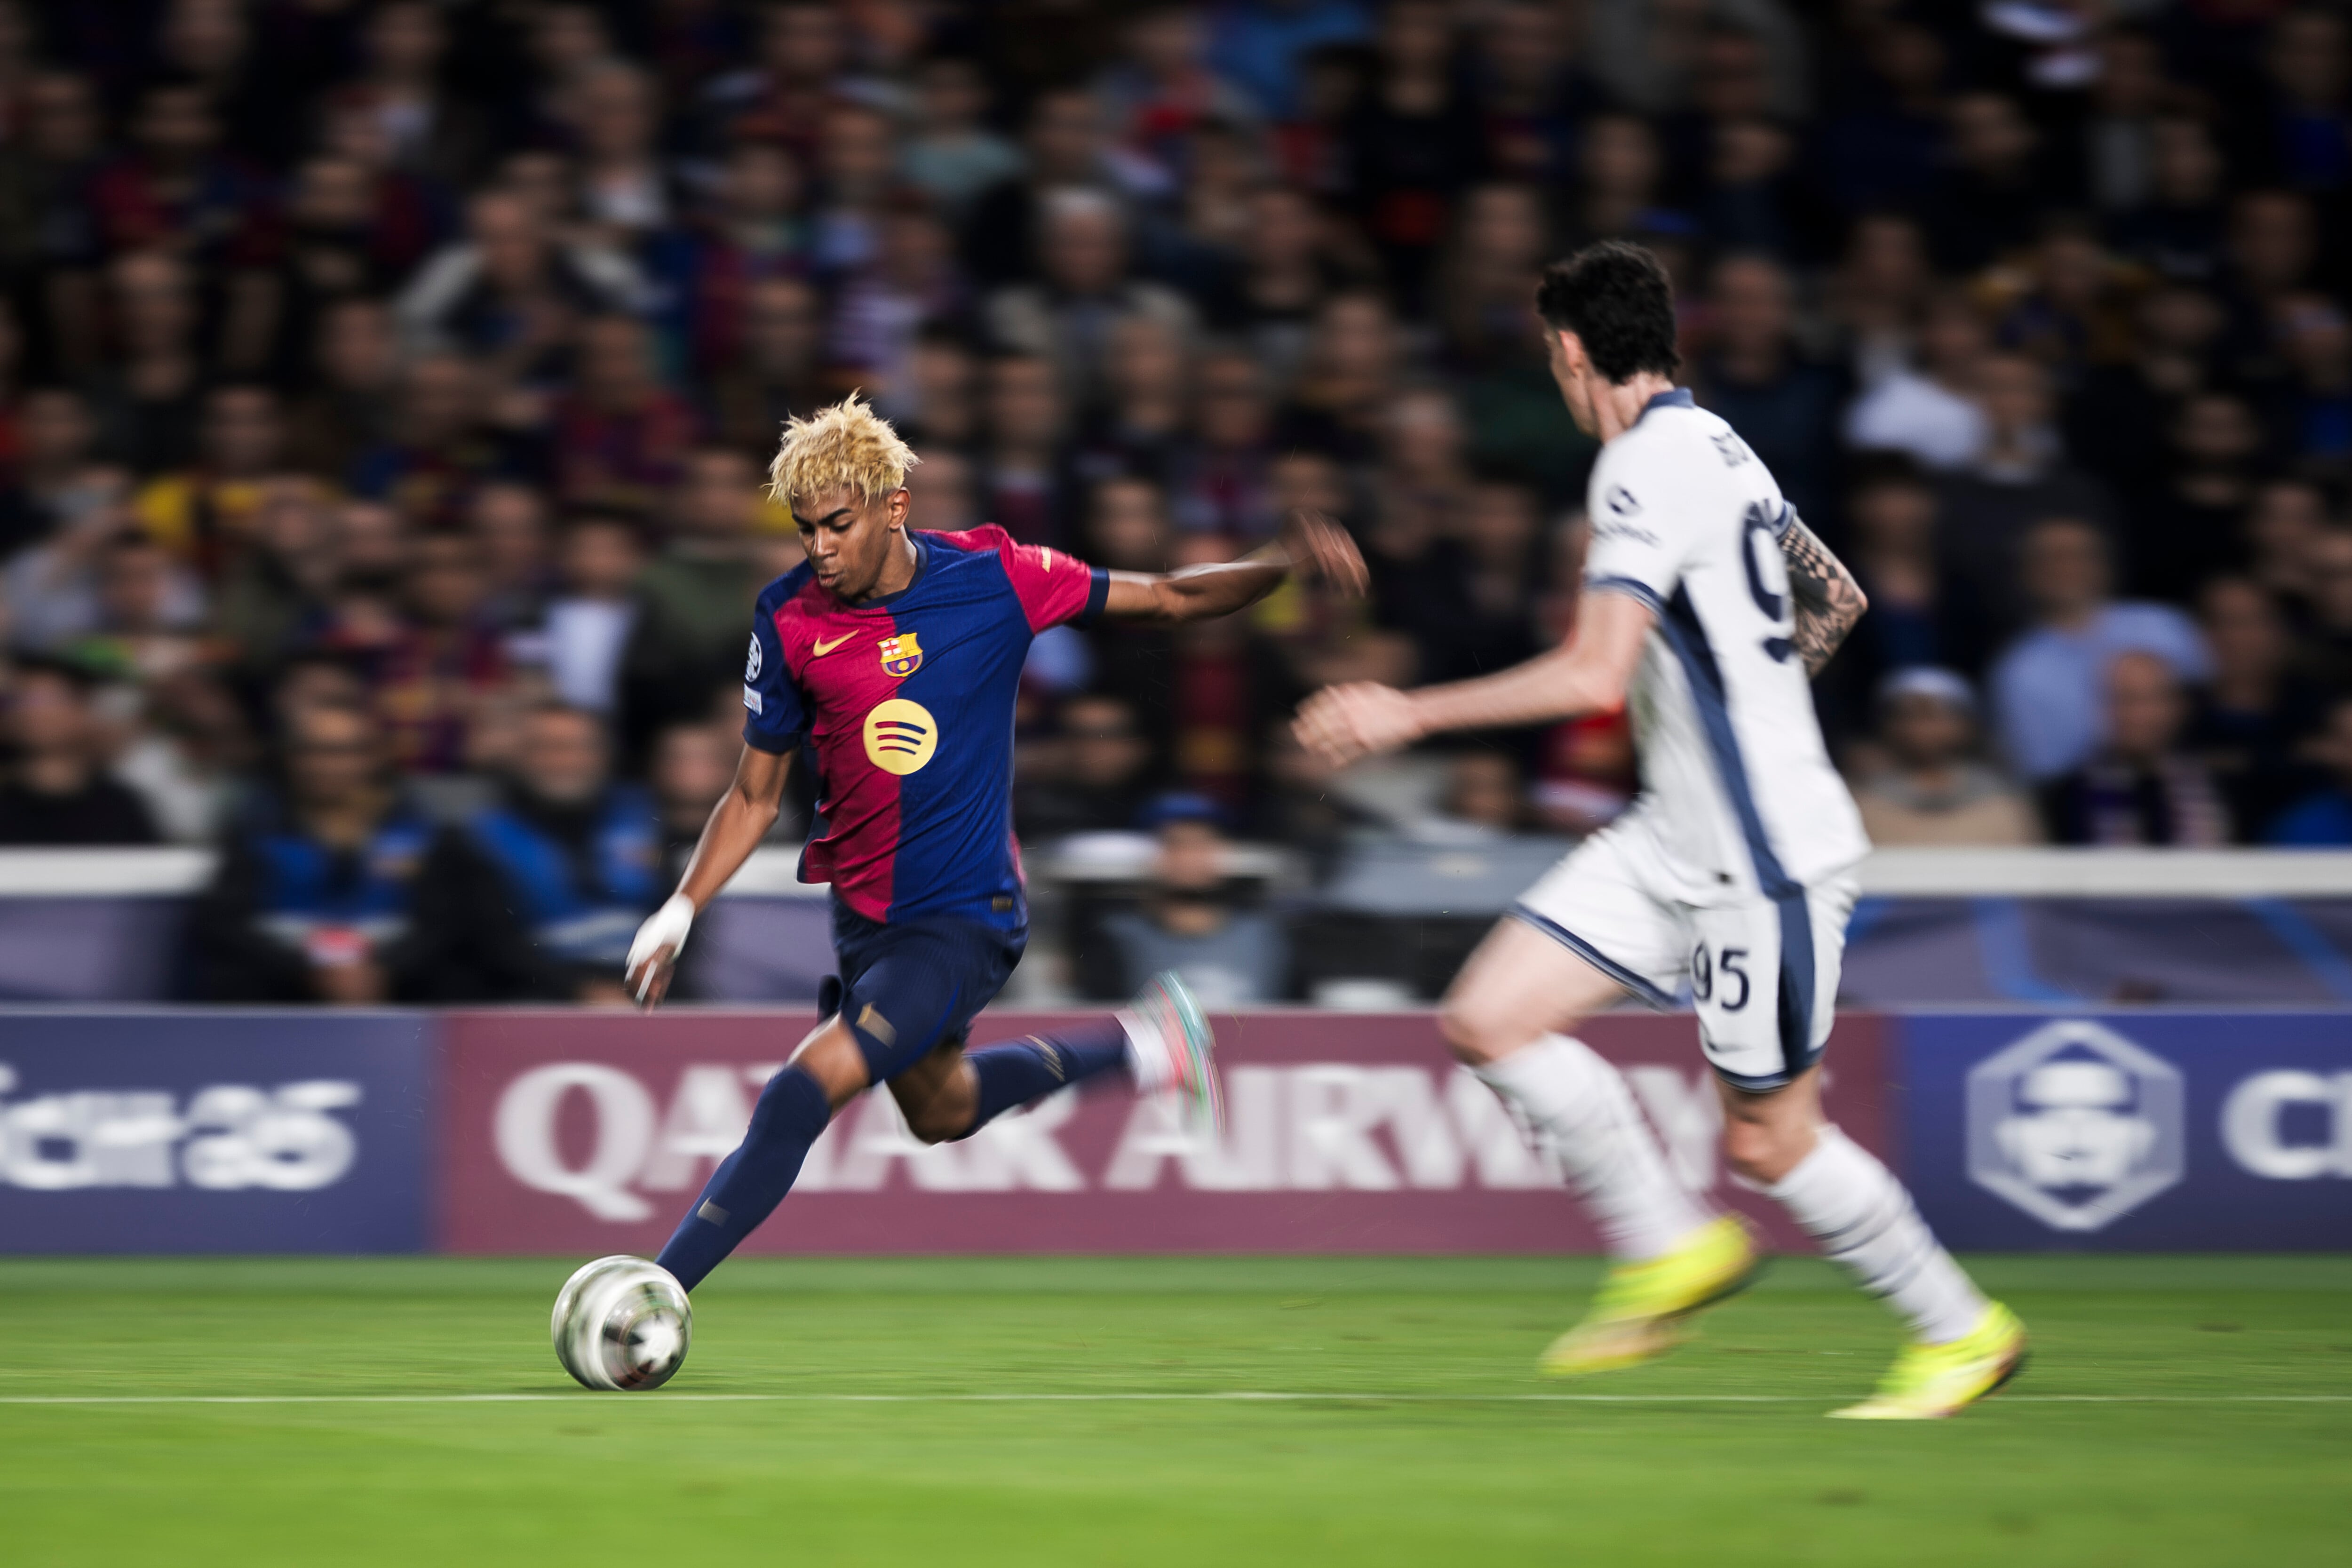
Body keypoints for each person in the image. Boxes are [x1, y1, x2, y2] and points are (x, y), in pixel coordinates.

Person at [1295, 242, 2022, 1420]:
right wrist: (1752, 697)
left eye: (1550, 357)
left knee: (1774, 1143)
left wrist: (1404, 710)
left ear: (1576, 354)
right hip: (1674, 831)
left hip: (1760, 857)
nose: (1553, 377)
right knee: (1488, 1017)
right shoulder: (1722, 442)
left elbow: (1593, 672)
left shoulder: (1637, 466)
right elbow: (1835, 594)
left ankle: (1962, 1331)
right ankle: (1667, 1246)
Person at [616, 393, 1367, 1298]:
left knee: (800, 1090)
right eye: (807, 528)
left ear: (894, 504)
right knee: (943, 1108)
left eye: (838, 525)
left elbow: (1168, 597)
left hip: (965, 915)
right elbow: (754, 792)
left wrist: (1279, 560)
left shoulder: (997, 574)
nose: (819, 548)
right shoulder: (787, 620)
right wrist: (682, 906)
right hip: (864, 920)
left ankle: (653, 1295)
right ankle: (1150, 1042)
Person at [1099, 794, 1290, 1005]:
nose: (1189, 857)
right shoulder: (1117, 937)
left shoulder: (1266, 936)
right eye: (1174, 844)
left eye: (1202, 845)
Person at [1851, 668, 2040, 846]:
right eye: (1909, 716)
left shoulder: (2004, 801)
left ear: (1966, 725)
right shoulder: (1862, 802)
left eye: (1936, 716)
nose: (1923, 729)